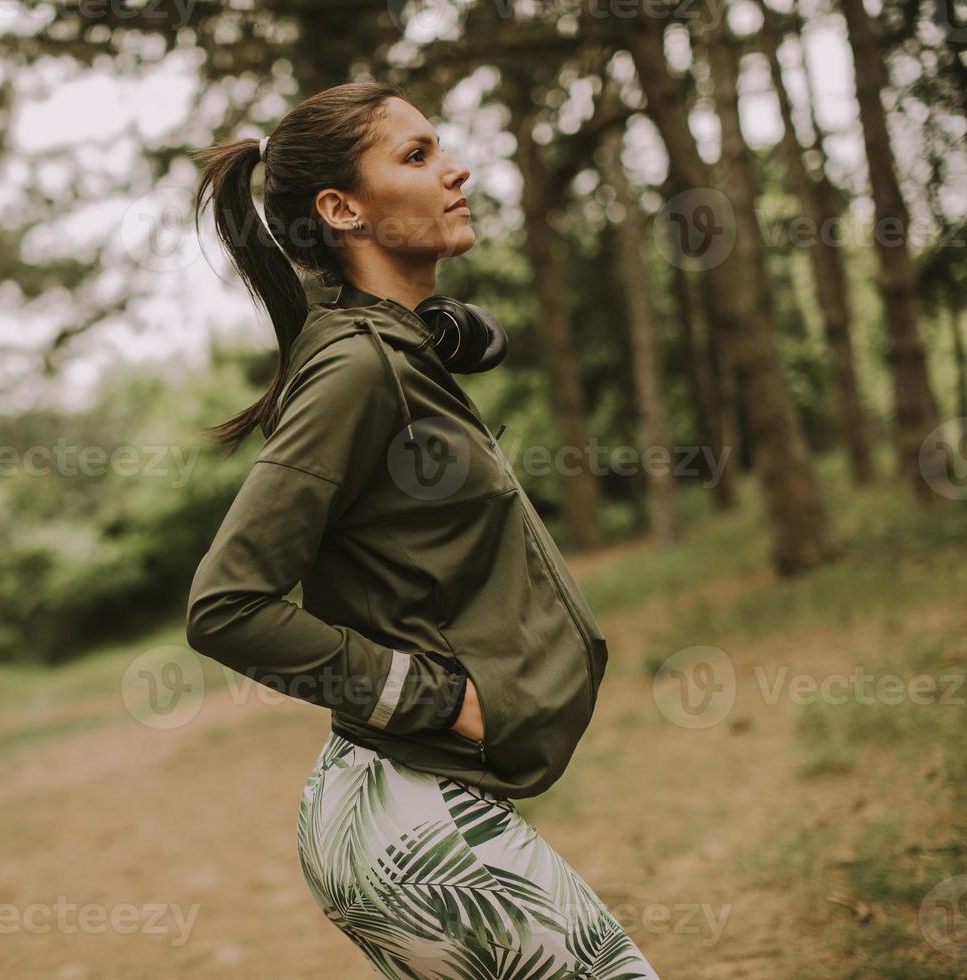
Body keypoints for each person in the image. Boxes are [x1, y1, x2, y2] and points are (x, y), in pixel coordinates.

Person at [184, 81, 662, 978]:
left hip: (391, 801)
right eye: (415, 157)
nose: (455, 169)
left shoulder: (390, 350)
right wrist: (435, 698)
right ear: (341, 209)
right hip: (411, 810)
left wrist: (443, 334)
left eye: (439, 147)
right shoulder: (359, 369)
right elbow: (227, 605)